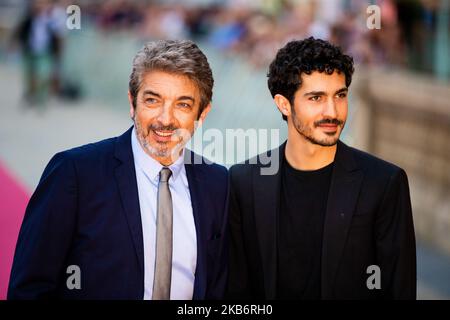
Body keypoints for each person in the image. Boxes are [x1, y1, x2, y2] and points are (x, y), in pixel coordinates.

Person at [8, 40, 229, 300]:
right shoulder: (75, 174)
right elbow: (30, 288)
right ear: (132, 103)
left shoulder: (218, 183)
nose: (165, 120)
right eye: (152, 100)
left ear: (202, 114)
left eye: (183, 105)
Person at [226, 37, 416, 300]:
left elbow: (399, 289)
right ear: (283, 104)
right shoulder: (243, 182)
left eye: (340, 96)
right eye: (316, 98)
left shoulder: (384, 183)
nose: (333, 111)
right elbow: (235, 290)